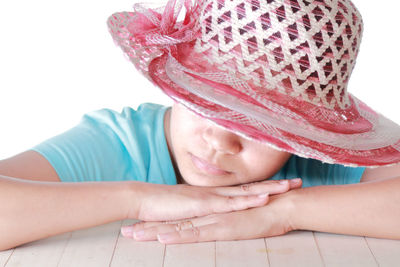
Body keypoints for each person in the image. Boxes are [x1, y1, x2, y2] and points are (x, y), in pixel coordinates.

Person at [0, 0, 399, 250]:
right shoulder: (121, 142)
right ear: (176, 88)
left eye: (263, 126)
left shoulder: (322, 166)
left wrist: (286, 211)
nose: (221, 141)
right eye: (207, 104)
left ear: (309, 135)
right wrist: (135, 199)